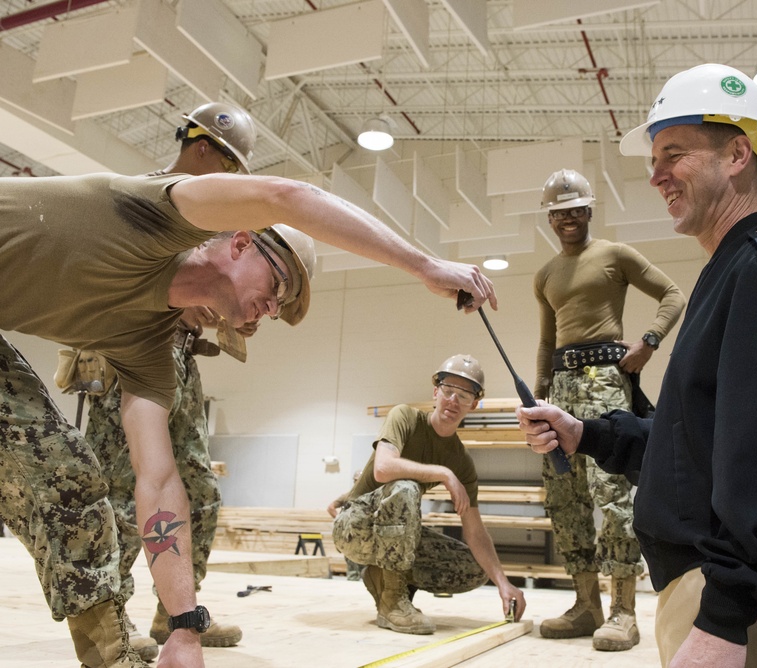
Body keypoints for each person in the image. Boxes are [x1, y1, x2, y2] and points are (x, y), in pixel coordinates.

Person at [0, 171, 496, 668]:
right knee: (59, 467)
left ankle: (110, 658)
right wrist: (425, 265)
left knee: (67, 477)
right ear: (241, 243)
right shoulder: (154, 218)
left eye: (281, 305)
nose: (273, 308)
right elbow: (288, 196)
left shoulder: (147, 346)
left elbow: (158, 479)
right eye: (279, 285)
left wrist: (184, 627)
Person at [517, 63, 757, 668]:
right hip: (716, 593)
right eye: (654, 159)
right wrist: (589, 433)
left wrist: (724, 620)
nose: (655, 176)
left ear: (736, 154)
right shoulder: (728, 274)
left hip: (749, 611)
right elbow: (694, 443)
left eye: (673, 153)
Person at [83, 101, 259, 661]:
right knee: (119, 490)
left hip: (181, 360)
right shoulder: (148, 199)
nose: (233, 181)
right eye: (230, 165)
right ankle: (111, 615)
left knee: (202, 492)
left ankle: (176, 611)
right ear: (203, 147)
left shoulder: (205, 217)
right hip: (130, 356)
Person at [532, 168, 685, 651]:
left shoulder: (615, 255)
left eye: (576, 209)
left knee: (613, 495)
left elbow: (673, 294)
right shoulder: (545, 275)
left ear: (589, 210)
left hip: (605, 383)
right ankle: (585, 605)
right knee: (564, 497)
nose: (568, 218)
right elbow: (546, 338)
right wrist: (539, 396)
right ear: (550, 219)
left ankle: (623, 611)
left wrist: (648, 342)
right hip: (561, 385)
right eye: (559, 212)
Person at [331, 355, 526, 635]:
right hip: (355, 527)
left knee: (473, 567)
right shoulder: (405, 417)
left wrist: (503, 583)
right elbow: (384, 468)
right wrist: (443, 473)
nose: (453, 401)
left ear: (474, 404)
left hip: (391, 537)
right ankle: (393, 602)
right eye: (448, 391)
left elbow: (475, 531)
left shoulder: (461, 461)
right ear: (436, 392)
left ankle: (382, 578)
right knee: (405, 486)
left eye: (464, 395)